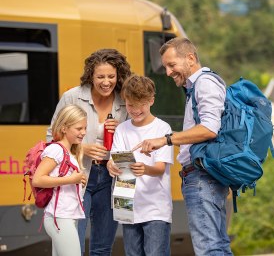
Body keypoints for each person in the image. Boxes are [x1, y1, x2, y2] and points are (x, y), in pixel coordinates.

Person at [133, 37, 233, 255]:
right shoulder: (195, 87)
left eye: (172, 65)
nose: (168, 72)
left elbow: (209, 128)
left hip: (202, 177)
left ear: (190, 58)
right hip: (202, 177)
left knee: (209, 247)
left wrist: (166, 139)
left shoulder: (204, 83)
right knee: (216, 244)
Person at [47, 48, 132, 255]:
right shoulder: (73, 97)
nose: (106, 82)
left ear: (118, 76)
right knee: (73, 243)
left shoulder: (126, 100)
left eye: (111, 76)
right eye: (100, 76)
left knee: (103, 247)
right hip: (78, 177)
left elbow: (133, 142)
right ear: (90, 76)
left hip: (114, 178)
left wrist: (117, 145)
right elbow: (52, 137)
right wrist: (82, 148)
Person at [106, 74, 174, 256]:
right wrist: (111, 166)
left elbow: (160, 168)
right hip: (126, 202)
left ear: (151, 101)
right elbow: (116, 160)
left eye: (140, 105)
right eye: (130, 106)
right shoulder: (122, 129)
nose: (135, 110)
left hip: (155, 206)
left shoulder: (163, 129)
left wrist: (145, 169)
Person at [33, 104, 88, 256]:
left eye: (85, 128)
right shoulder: (56, 150)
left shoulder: (69, 152)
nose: (83, 132)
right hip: (60, 218)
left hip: (64, 217)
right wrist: (71, 179)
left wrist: (78, 181)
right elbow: (37, 179)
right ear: (64, 128)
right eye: (79, 128)